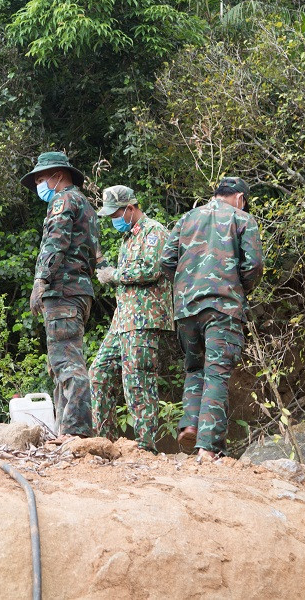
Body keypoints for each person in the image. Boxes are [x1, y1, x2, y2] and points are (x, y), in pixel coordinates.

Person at [160, 177, 264, 462]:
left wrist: (186, 285)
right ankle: (208, 447)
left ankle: (191, 424)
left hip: (186, 309)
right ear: (240, 197)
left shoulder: (187, 218)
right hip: (223, 307)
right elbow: (253, 264)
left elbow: (166, 261)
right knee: (217, 372)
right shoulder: (243, 219)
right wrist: (239, 288)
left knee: (195, 369)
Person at [21, 151, 103, 437]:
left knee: (66, 364)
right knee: (62, 363)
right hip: (80, 292)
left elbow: (55, 242)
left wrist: (41, 280)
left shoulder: (64, 199)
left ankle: (76, 432)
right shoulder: (86, 206)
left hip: (64, 292)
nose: (40, 185)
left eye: (42, 178)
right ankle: (65, 431)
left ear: (58, 175)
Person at [89, 186, 174, 452]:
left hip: (145, 319)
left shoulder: (155, 232)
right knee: (98, 373)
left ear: (130, 208)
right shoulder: (128, 239)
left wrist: (113, 274)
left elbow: (151, 268)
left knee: (138, 382)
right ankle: (106, 443)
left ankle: (145, 448)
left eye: (116, 213)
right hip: (123, 320)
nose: (114, 218)